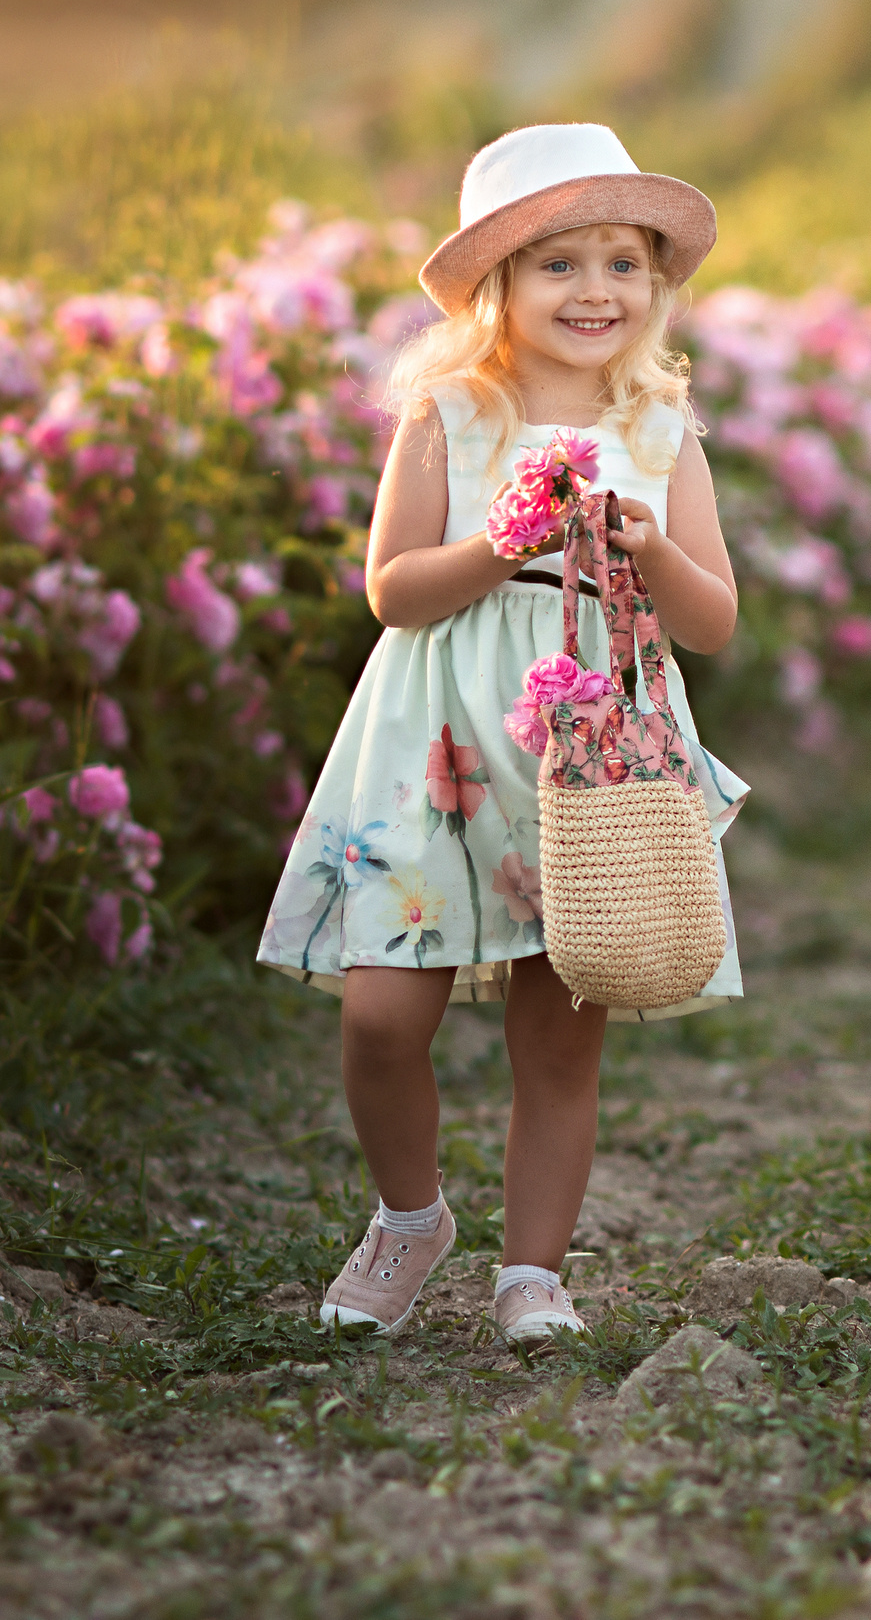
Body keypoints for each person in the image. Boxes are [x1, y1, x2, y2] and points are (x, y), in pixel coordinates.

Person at [257, 123, 746, 1346]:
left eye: (622, 265)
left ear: (655, 285)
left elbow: (715, 622)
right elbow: (392, 589)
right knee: (379, 1015)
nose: (596, 292)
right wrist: (500, 545)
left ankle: (533, 1270)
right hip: (440, 737)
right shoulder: (450, 415)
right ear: (497, 286)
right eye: (558, 265)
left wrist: (651, 549)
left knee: (560, 1017)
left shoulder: (661, 429)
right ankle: (410, 1215)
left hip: (588, 744)